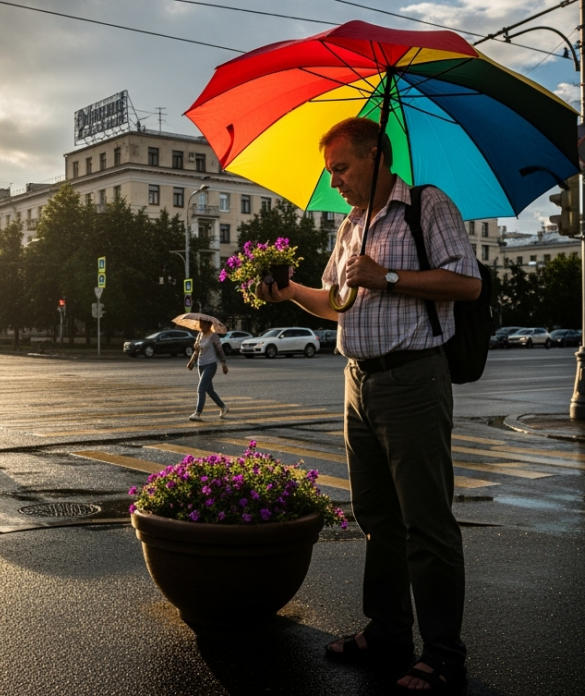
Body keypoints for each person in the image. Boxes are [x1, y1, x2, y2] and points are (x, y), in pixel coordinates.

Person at [256, 117, 481, 692]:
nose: (334, 182)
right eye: (330, 172)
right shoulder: (351, 225)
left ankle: (443, 654)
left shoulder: (427, 206)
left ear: (376, 156)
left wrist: (390, 277)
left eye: (341, 169)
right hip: (358, 381)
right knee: (378, 518)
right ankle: (387, 632)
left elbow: (467, 284)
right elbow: (335, 302)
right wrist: (289, 292)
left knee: (426, 523)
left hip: (413, 378)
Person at [185, 320, 229, 422]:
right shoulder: (199, 335)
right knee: (209, 390)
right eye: (200, 324)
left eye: (203, 324)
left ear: (209, 325)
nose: (201, 326)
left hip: (211, 365)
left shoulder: (213, 336)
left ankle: (197, 413)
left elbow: (220, 350)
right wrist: (191, 362)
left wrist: (224, 364)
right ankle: (223, 407)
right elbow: (197, 351)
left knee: (201, 388)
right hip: (201, 365)